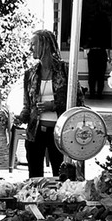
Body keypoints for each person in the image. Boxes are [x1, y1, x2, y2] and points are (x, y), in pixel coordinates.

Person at [18, 29, 84, 179]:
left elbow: (78, 100)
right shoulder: (30, 73)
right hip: (36, 133)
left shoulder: (65, 70)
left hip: (61, 133)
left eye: (33, 44)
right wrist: (19, 117)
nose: (30, 49)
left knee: (62, 176)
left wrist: (53, 105)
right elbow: (27, 106)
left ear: (45, 45)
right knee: (34, 177)